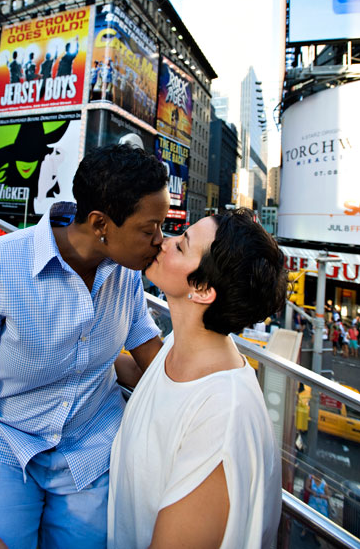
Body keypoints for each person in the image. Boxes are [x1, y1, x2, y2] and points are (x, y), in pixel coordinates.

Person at [0, 144, 170, 549]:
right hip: (0, 443)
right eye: (150, 230)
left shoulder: (125, 273)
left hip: (91, 446)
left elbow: (153, 355)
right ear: (100, 224)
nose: (160, 241)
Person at [108, 208, 287, 549]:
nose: (162, 241)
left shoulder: (222, 416)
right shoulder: (181, 344)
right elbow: (153, 387)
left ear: (203, 289)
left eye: (181, 245)